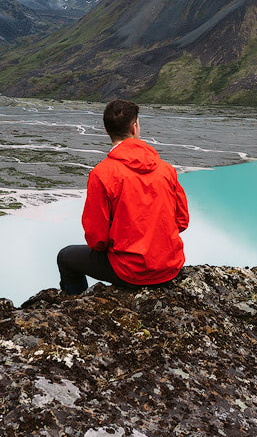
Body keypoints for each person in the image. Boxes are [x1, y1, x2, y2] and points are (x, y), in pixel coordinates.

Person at [57, 99, 189, 294]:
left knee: (65, 257)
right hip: (170, 267)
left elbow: (97, 239)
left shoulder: (102, 174)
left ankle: (73, 304)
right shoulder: (166, 170)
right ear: (135, 127)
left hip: (130, 272)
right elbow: (182, 221)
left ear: (106, 130)